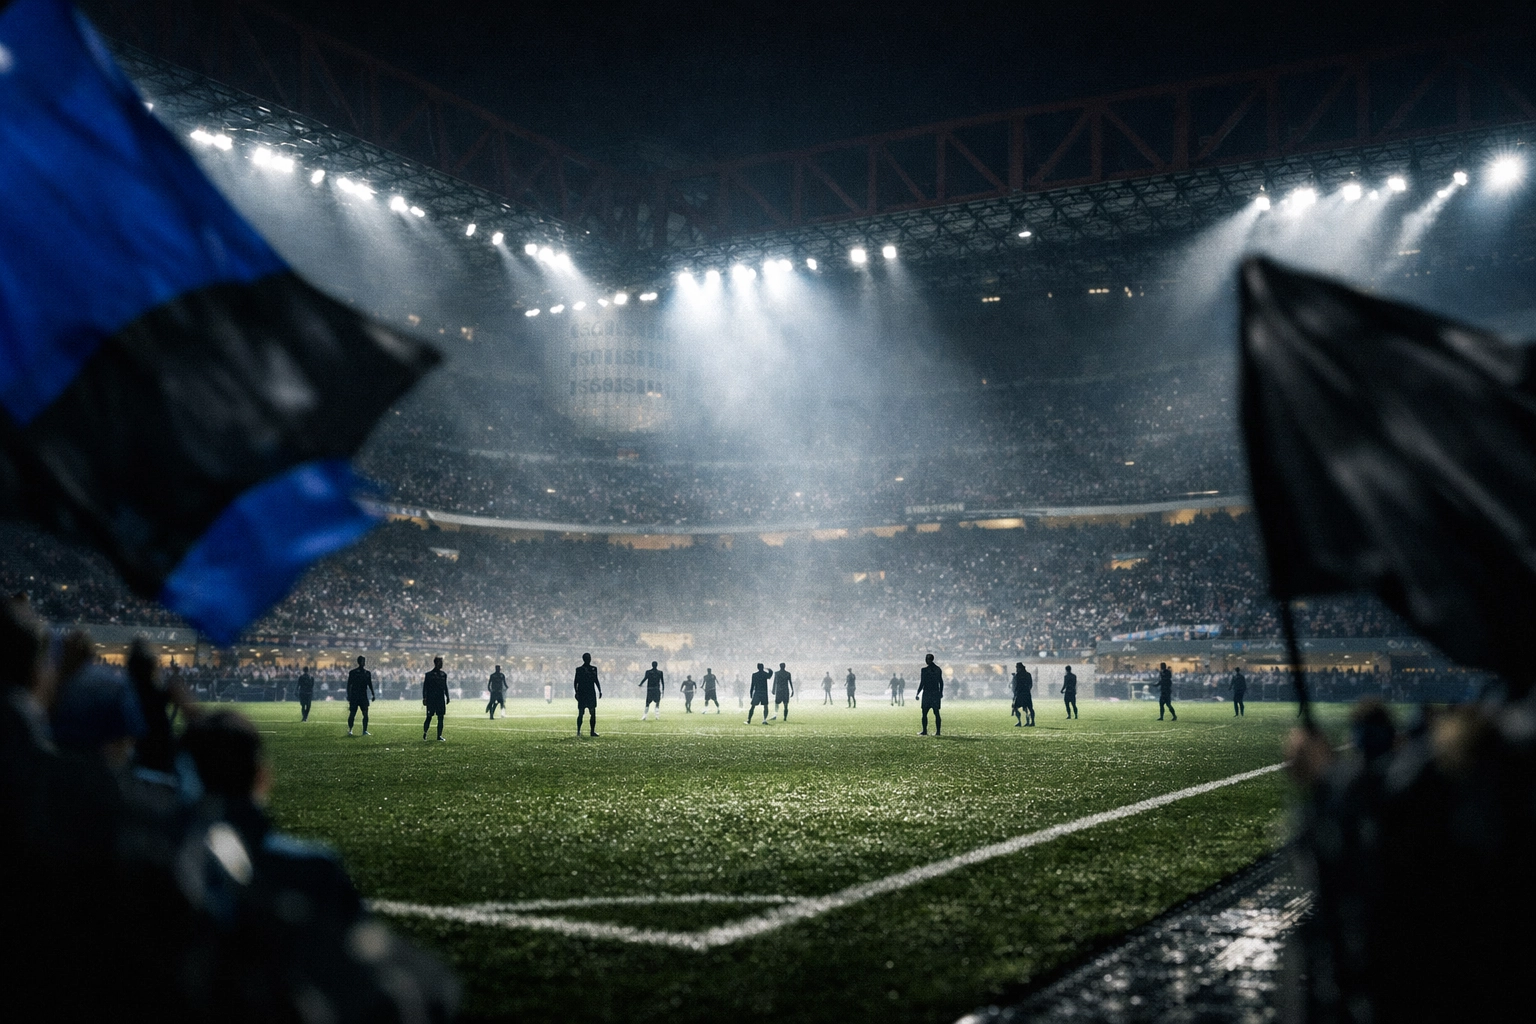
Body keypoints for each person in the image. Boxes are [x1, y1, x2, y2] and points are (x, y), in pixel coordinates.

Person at [346, 656, 375, 736]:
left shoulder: (367, 673)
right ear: (360, 662)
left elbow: (370, 684)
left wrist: (373, 694)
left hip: (363, 695)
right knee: (352, 713)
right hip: (355, 695)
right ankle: (350, 730)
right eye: (363, 661)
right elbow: (349, 685)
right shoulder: (353, 673)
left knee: (365, 714)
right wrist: (349, 695)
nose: (364, 663)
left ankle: (364, 730)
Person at [422, 657, 449, 741]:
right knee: (429, 717)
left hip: (440, 699)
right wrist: (424, 698)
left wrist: (447, 696)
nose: (442, 664)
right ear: (436, 663)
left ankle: (439, 736)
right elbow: (425, 687)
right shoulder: (429, 675)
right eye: (440, 662)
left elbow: (445, 686)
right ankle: (425, 732)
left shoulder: (443, 675)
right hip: (431, 699)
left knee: (441, 717)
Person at [574, 653, 601, 736]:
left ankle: (582, 731)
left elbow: (576, 682)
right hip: (587, 693)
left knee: (585, 713)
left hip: (586, 693)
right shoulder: (583, 669)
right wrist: (577, 692)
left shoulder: (589, 669)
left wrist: (599, 690)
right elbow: (576, 682)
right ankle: (587, 731)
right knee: (587, 713)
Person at [916, 654, 943, 736]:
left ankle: (924, 731)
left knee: (924, 713)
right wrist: (941, 692)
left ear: (927, 660)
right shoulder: (938, 669)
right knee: (936, 713)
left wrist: (918, 692)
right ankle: (938, 731)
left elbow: (922, 683)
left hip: (927, 693)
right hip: (935, 693)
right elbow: (941, 682)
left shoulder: (924, 670)